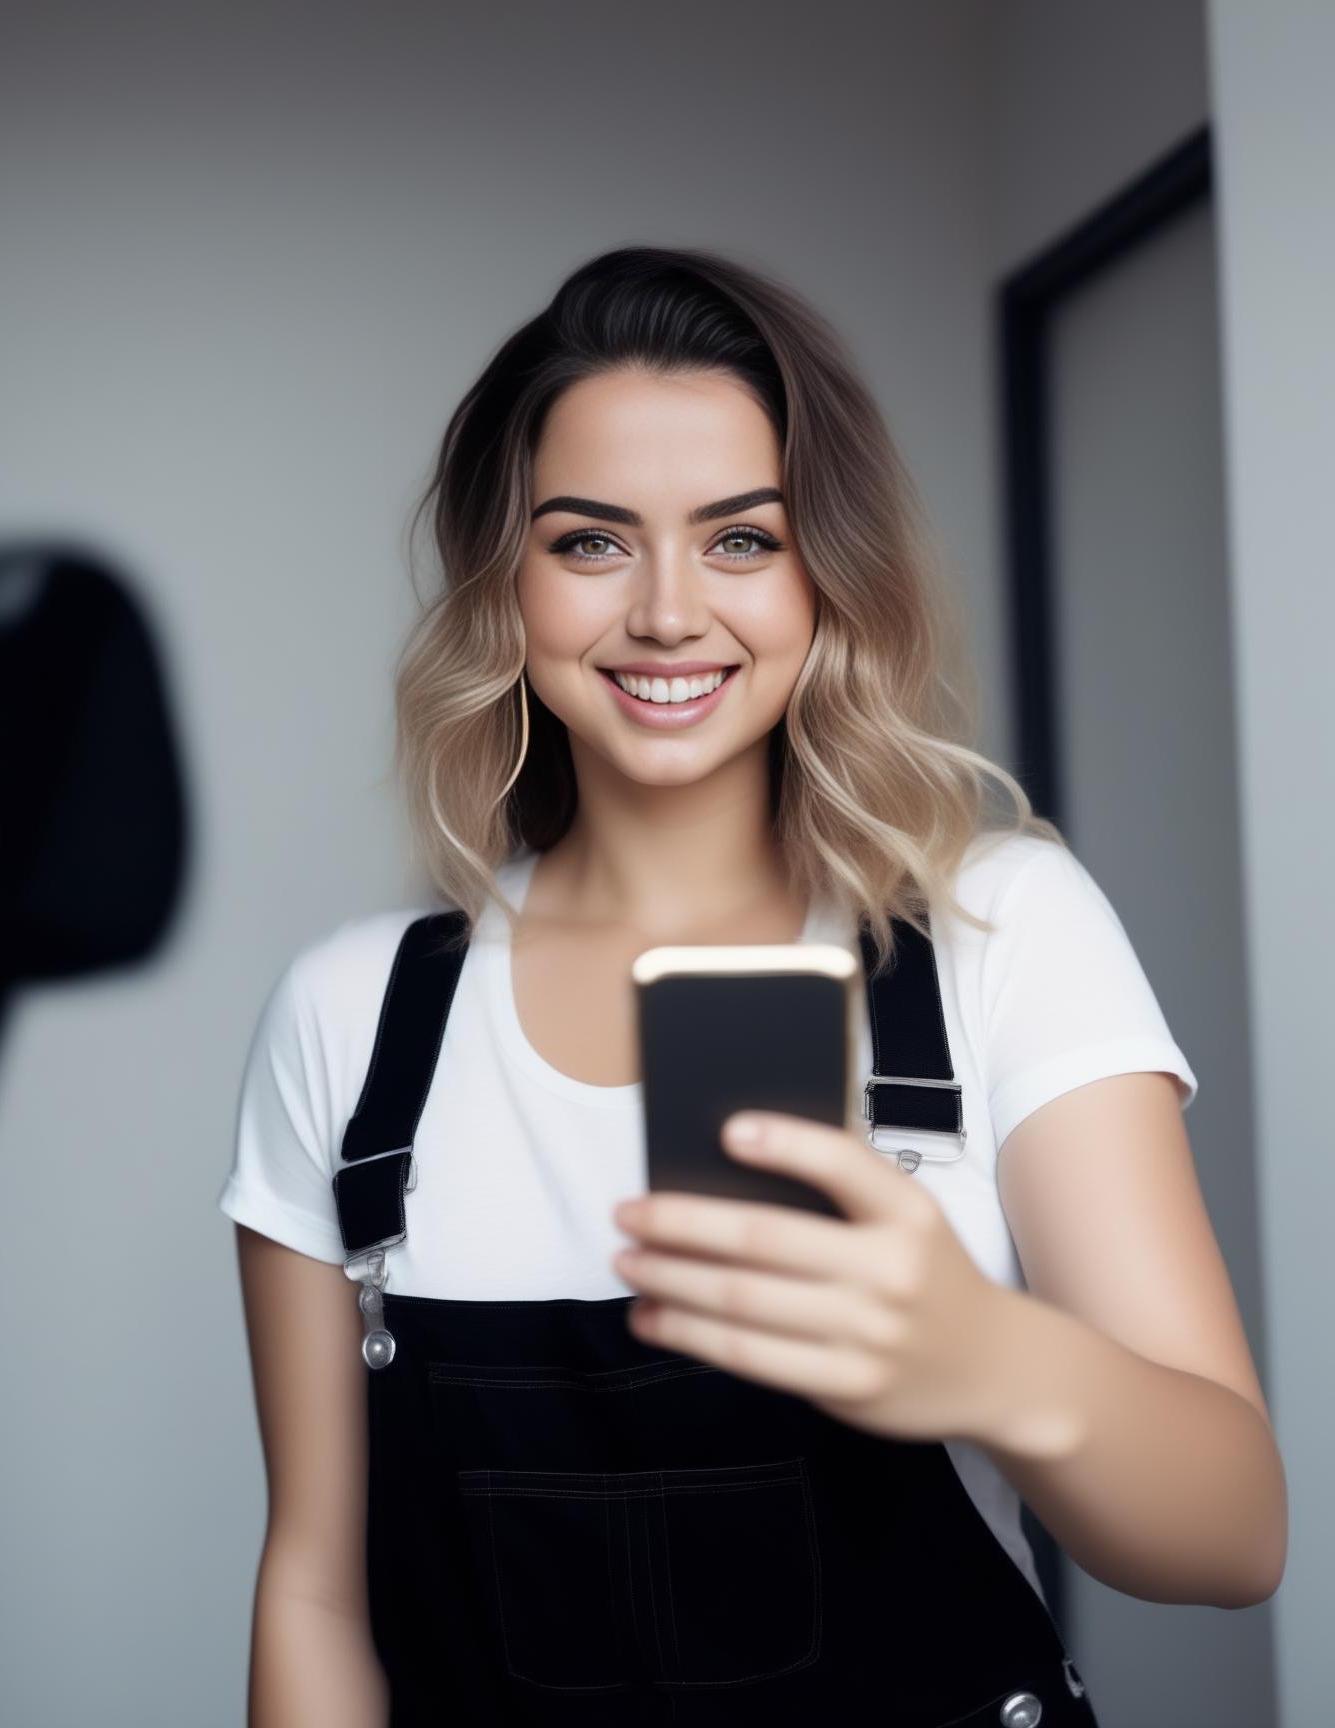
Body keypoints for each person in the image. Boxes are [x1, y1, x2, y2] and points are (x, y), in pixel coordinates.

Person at [218, 245, 1286, 1727]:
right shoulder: (352, 1019)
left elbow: (1234, 1538)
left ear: (826, 568)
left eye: (741, 540)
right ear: (504, 581)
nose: (666, 614)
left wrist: (982, 1356)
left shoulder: (998, 933)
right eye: (590, 542)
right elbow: (318, 1594)